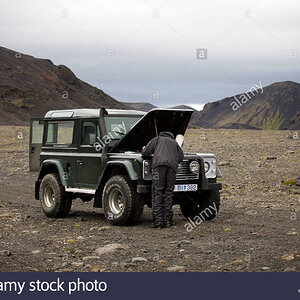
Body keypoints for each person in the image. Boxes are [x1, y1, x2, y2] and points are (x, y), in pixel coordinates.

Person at [142, 131, 184, 228]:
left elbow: (146, 153)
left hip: (159, 167)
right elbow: (181, 157)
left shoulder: (157, 139)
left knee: (158, 191)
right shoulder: (174, 143)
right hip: (172, 168)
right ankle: (168, 221)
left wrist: (143, 149)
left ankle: (158, 221)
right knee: (169, 192)